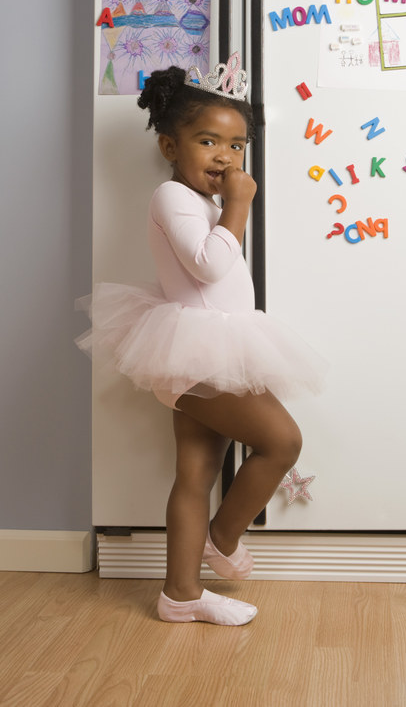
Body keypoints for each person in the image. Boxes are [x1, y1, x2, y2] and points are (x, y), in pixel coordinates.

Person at [77, 61, 325, 625]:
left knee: (195, 472)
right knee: (282, 442)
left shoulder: (205, 203)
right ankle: (221, 538)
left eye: (236, 146)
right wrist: (239, 205)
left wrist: (226, 206)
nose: (225, 156)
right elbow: (211, 266)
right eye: (207, 141)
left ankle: (180, 594)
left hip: (209, 347)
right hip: (196, 350)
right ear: (169, 145)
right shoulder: (172, 197)